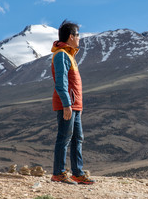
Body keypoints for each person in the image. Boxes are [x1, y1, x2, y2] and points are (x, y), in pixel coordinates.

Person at [50, 20, 95, 185]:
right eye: (78, 35)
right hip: (67, 105)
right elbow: (61, 82)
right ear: (71, 37)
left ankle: (77, 173)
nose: (79, 38)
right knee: (64, 137)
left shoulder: (69, 55)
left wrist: (77, 107)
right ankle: (59, 173)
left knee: (78, 138)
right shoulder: (61, 54)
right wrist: (67, 105)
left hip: (75, 105)